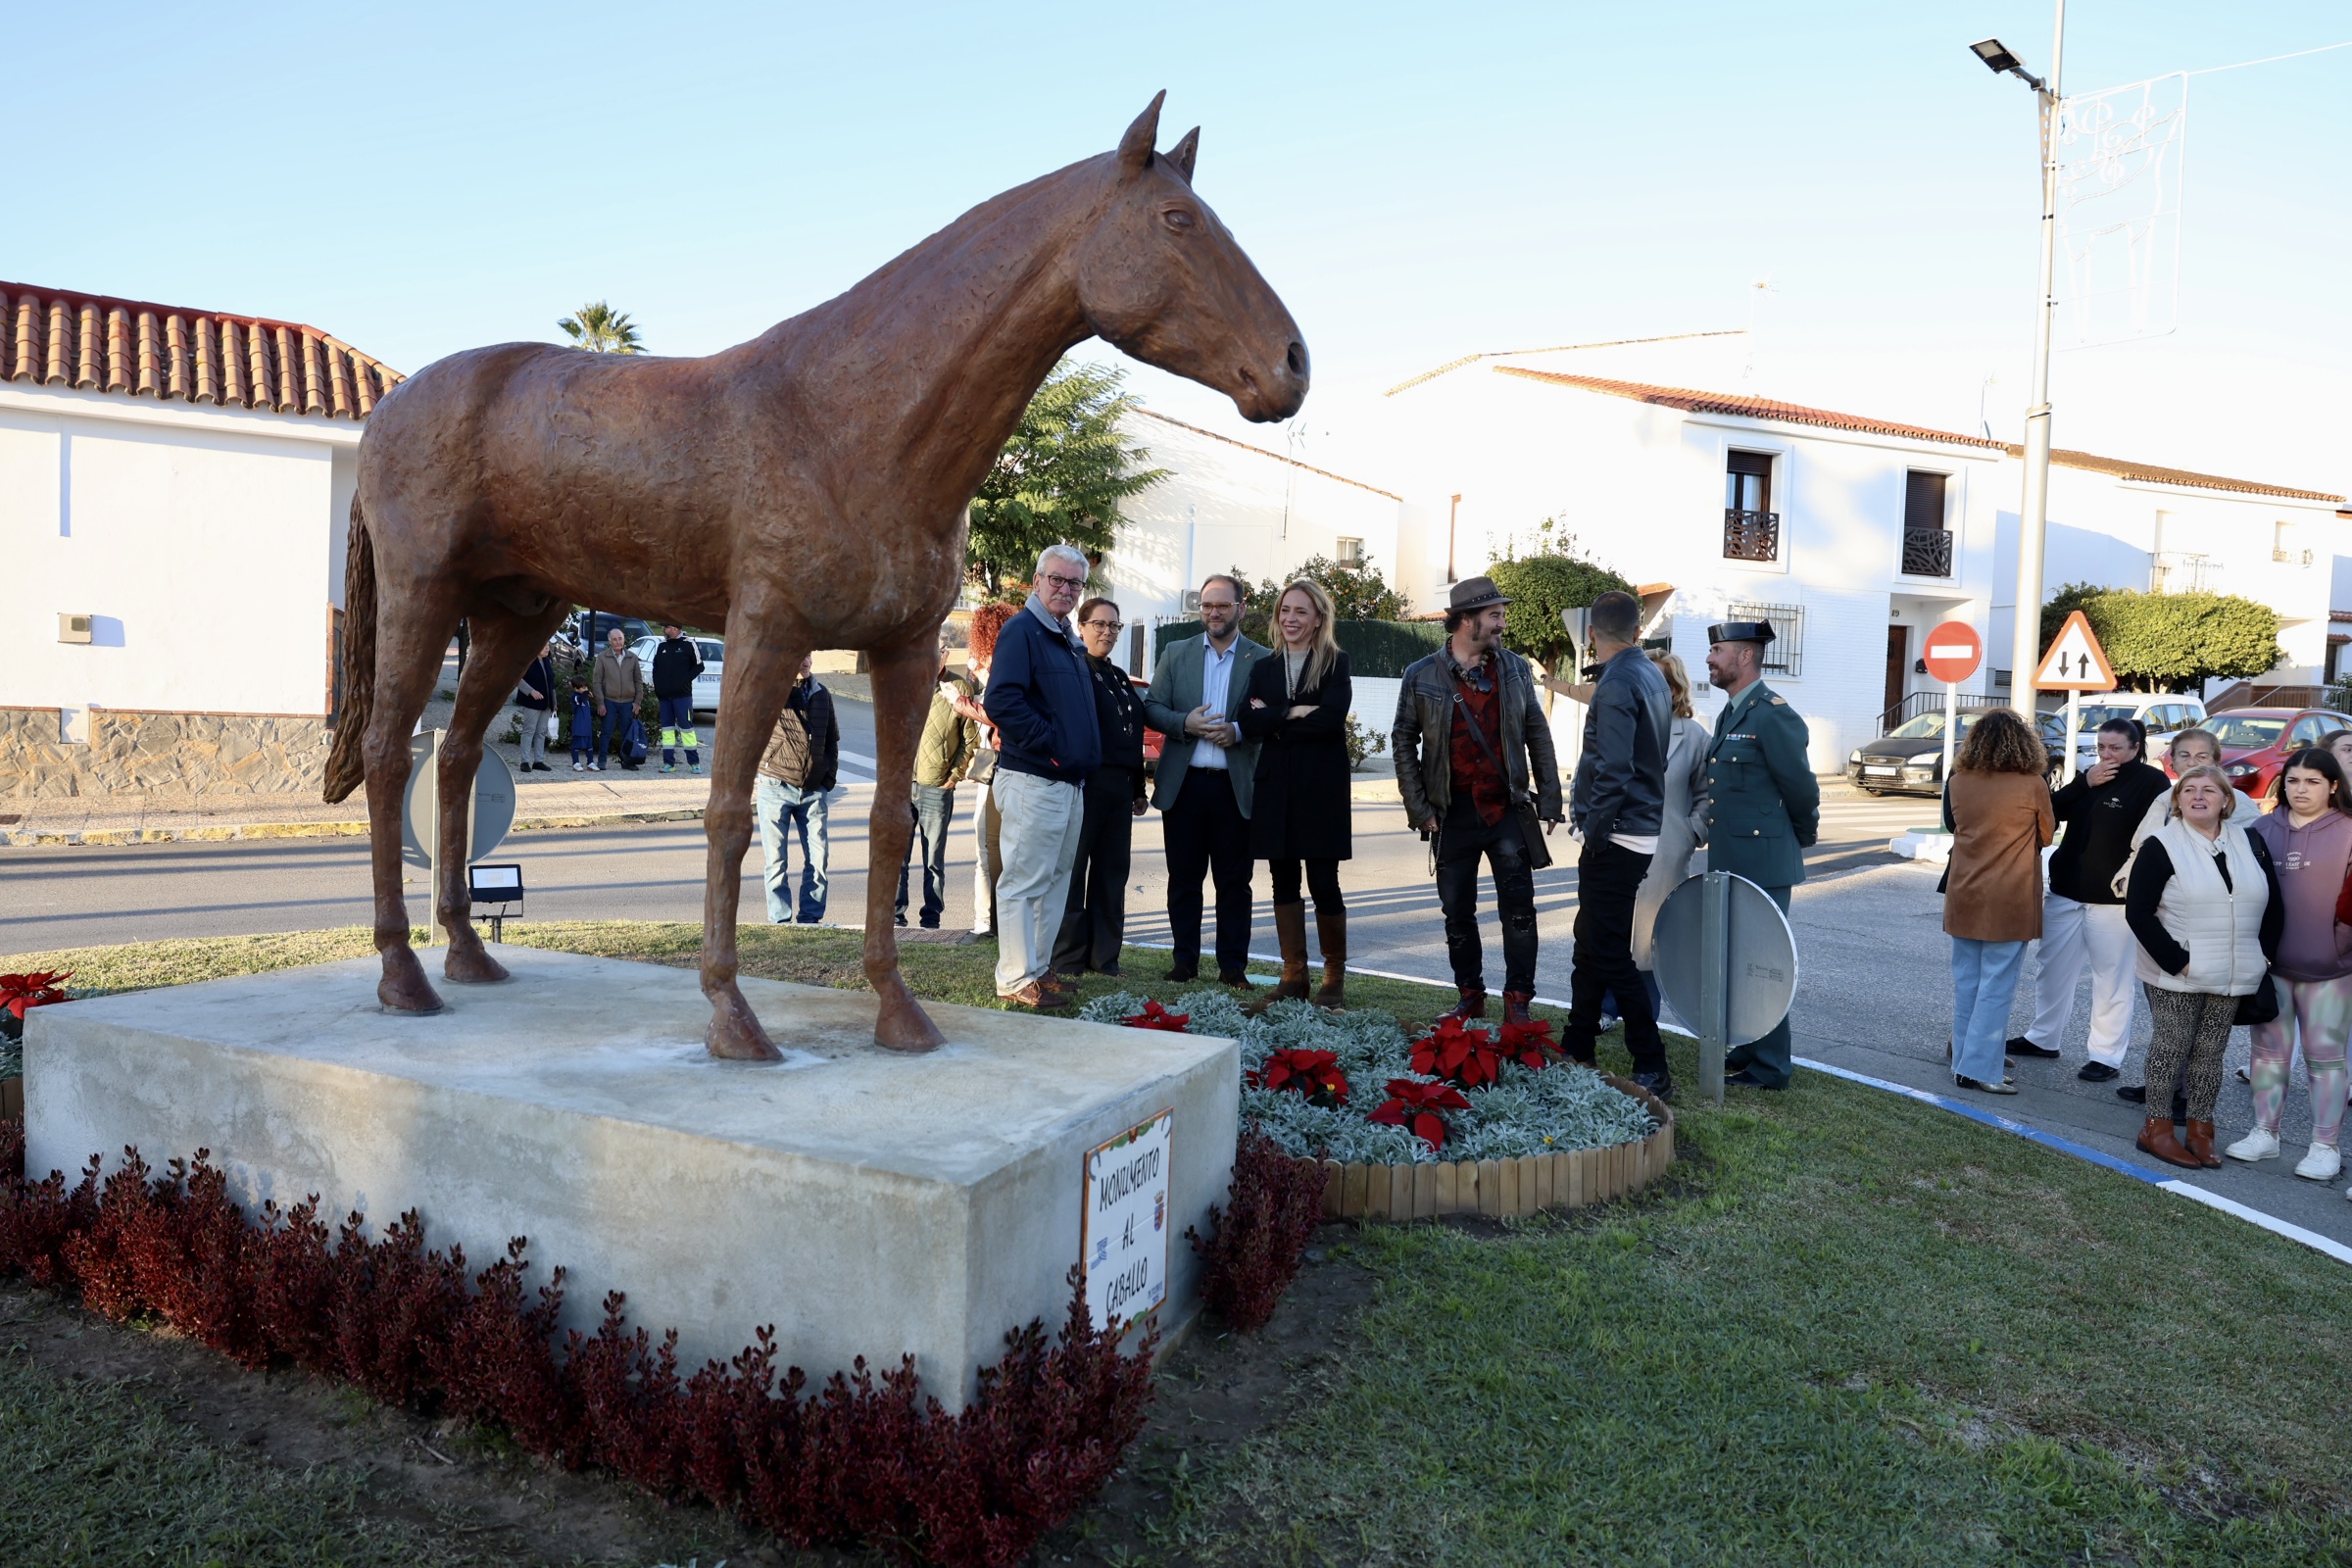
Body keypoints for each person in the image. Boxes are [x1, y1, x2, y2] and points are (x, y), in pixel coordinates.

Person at [1393, 575, 1563, 1025]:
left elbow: (1536, 732)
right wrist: (1418, 808)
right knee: (1457, 914)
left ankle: (1518, 1003)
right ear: (1466, 620)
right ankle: (1470, 995)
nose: (1502, 623)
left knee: (1520, 909)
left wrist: (1549, 797)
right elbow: (1403, 741)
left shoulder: (1514, 669)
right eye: (1495, 615)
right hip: (1449, 814)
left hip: (1506, 808)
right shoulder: (1420, 674)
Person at [2124, 764, 2280, 1168]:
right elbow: (2139, 913)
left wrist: (2262, 956)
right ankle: (2155, 1129)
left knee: (2212, 1054)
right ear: (2177, 802)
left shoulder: (2250, 841)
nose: (2198, 796)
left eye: (2209, 790)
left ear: (2226, 800)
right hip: (2179, 973)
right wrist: (2180, 964)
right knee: (2170, 1047)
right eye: (2188, 789)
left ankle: (2200, 1130)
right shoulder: (2161, 845)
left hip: (2233, 971)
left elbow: (2273, 904)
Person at [2013, 717, 2170, 1082]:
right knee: (2051, 969)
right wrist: (2085, 782)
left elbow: (2156, 840)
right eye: (2101, 746)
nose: (2107, 754)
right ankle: (2043, 1038)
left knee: (2111, 979)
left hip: (2114, 899)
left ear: (2136, 748)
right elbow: (2051, 810)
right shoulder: (2091, 774)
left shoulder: (2152, 783)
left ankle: (2105, 1056)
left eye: (2115, 747)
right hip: (2067, 889)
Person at [1563, 591, 1673, 1093]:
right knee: (1591, 941)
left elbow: (1614, 768)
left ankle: (1652, 1062)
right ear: (1637, 630)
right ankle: (1577, 1043)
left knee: (1606, 951)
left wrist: (1595, 828)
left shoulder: (1616, 683)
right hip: (1637, 829)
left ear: (1591, 634)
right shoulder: (1651, 673)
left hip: (1619, 833)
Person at [1702, 619, 1821, 1089]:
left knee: (1764, 965)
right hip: (1732, 859)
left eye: (1717, 650)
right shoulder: (1732, 712)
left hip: (1764, 860)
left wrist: (1800, 836)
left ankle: (1772, 1065)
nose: (1710, 659)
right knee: (1737, 961)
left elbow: (1801, 789)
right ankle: (1750, 1045)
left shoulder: (1773, 714)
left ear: (1745, 656)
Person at [983, 544, 1101, 1009]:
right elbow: (1002, 702)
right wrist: (1052, 746)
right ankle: (1014, 978)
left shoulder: (1064, 635)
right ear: (1037, 580)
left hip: (1067, 783)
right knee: (1024, 881)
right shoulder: (1023, 631)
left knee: (1053, 881)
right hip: (1036, 778)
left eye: (1074, 583)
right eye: (1056, 579)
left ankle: (1036, 970)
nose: (1064, 589)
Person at [2230, 748, 2352, 1179]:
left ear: (2334, 786)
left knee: (2326, 1060)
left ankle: (2324, 1146)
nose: (2301, 790)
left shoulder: (2349, 830)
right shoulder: (2261, 828)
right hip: (2271, 967)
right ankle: (2265, 1133)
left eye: (2313, 781)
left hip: (2330, 971)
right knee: (2266, 1054)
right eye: (2294, 780)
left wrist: (2341, 943)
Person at [1144, 573, 1268, 985]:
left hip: (1236, 788)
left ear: (1241, 608)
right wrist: (1186, 723)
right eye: (1207, 605)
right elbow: (1153, 707)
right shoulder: (1176, 653)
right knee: (1184, 879)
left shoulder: (1263, 659)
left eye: (1223, 605)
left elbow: (1269, 719)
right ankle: (1184, 963)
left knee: (1235, 882)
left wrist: (1239, 730)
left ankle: (1233, 967)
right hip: (1186, 786)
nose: (1214, 613)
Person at [1238, 578, 1353, 1006]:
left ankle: (1333, 977)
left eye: (1301, 611)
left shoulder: (1336, 663)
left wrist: (1271, 717)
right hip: (1275, 787)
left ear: (1318, 617)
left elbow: (1331, 720)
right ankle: (1293, 975)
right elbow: (1245, 723)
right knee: (1282, 880)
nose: (1290, 618)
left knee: (1324, 882)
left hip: (1320, 788)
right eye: (1285, 610)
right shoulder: (1264, 666)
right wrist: (1291, 711)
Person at [1941, 710, 2057, 1095]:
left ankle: (1963, 1062)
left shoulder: (1958, 780)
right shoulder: (2032, 783)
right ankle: (1980, 1070)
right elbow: (2047, 834)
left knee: (1967, 984)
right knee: (1997, 986)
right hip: (2010, 896)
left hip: (1965, 893)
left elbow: (1952, 825)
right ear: (2023, 743)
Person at [2114, 726, 2226, 1117]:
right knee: (2166, 1018)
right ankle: (2166, 1083)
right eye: (2184, 757)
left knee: (2197, 1023)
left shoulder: (2233, 804)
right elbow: (2143, 846)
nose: (2192, 765)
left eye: (2202, 758)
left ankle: (2185, 1098)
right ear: (2171, 760)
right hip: (2159, 923)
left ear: (2217, 761)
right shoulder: (2165, 799)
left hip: (2204, 925)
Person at [1054, 597, 1151, 977]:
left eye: (1114, 626)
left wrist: (1139, 788)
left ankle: (1104, 957)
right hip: (1086, 783)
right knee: (1074, 872)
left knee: (1112, 874)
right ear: (1082, 627)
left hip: (1120, 787)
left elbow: (1134, 733)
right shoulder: (1074, 669)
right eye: (1100, 624)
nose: (1107, 632)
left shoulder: (1119, 675)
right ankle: (1068, 958)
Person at [1629, 650, 1709, 1027]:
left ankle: (1645, 1017)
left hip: (1666, 850)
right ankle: (1607, 1009)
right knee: (1610, 932)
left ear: (1676, 688)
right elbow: (1587, 781)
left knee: (1650, 939)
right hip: (1616, 846)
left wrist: (1692, 831)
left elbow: (1708, 793)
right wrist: (1584, 830)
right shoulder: (1620, 725)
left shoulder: (1693, 737)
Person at [899, 634, 980, 930]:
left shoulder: (958, 688)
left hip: (937, 786)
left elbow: (970, 740)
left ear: (945, 654)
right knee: (898, 858)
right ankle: (896, 917)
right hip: (902, 787)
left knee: (933, 860)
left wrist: (954, 776)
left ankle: (930, 919)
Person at [755, 655, 839, 924]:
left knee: (818, 858)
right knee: (776, 862)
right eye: (797, 654)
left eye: (808, 655)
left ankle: (810, 921)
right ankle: (780, 921)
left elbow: (832, 740)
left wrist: (827, 779)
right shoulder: (772, 691)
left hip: (813, 791)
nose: (804, 661)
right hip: (775, 785)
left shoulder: (821, 693)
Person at [962, 603, 1017, 939]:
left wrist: (962, 702)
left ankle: (989, 922)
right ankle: (989, 920)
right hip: (996, 766)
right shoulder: (1011, 659)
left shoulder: (1001, 666)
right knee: (990, 847)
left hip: (1000, 766)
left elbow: (997, 711)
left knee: (989, 848)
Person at [650, 624, 706, 775]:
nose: (663, 630)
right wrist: (658, 687)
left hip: (682, 696)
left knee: (686, 729)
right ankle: (668, 763)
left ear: (674, 628)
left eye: (665, 627)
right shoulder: (662, 646)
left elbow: (699, 666)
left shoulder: (689, 644)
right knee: (667, 730)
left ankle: (694, 763)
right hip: (664, 697)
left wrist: (684, 680)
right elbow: (656, 667)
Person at [590, 627, 645, 772]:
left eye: (620, 638)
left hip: (628, 702)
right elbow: (597, 681)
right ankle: (602, 760)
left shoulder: (632, 657)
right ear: (609, 641)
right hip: (609, 701)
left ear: (624, 639)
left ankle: (626, 761)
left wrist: (637, 701)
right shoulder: (602, 657)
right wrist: (600, 702)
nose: (618, 641)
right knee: (606, 731)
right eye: (614, 639)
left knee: (627, 733)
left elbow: (638, 680)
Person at [513, 640, 556, 772]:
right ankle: (525, 761)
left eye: (548, 646)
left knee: (541, 732)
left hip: (546, 703)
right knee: (529, 730)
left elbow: (551, 683)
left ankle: (539, 760)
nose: (547, 649)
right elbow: (517, 678)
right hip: (531, 702)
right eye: (544, 646)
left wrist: (554, 702)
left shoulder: (547, 661)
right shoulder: (528, 661)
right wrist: (530, 691)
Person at [566, 673, 596, 771]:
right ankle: (576, 763)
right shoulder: (575, 697)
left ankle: (590, 762)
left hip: (587, 727)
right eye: (583, 688)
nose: (585, 689)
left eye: (586, 687)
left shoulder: (586, 699)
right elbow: (580, 699)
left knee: (589, 746)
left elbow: (588, 711)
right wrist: (586, 693)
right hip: (579, 727)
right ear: (576, 688)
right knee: (576, 745)